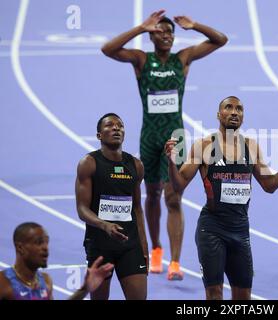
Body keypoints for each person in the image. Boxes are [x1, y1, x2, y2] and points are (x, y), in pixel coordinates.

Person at [101, 9, 228, 280]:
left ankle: (176, 262)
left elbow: (221, 40)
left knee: (174, 198)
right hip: (149, 138)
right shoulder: (141, 60)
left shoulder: (182, 59)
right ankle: (156, 249)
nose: (167, 35)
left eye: (170, 32)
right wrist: (140, 28)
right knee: (152, 195)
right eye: (160, 31)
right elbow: (107, 49)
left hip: (176, 137)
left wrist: (195, 25)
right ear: (152, 37)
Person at [164, 96, 278, 299]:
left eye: (239, 109)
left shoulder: (251, 147)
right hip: (212, 230)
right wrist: (171, 162)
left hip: (240, 231)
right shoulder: (204, 146)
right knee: (214, 293)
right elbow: (179, 184)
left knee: (243, 296)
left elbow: (269, 185)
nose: (235, 112)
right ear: (219, 115)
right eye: (229, 107)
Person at [75, 113, 149, 300]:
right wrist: (104, 225)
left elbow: (137, 209)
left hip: (130, 245)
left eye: (120, 125)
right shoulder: (89, 163)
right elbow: (82, 209)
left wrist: (144, 245)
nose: (116, 128)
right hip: (100, 245)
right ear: (99, 135)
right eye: (110, 125)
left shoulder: (136, 165)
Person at [0, 222, 114, 300]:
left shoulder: (45, 281)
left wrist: (85, 289)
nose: (45, 247)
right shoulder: (3, 282)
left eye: (46, 242)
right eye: (39, 242)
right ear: (20, 248)